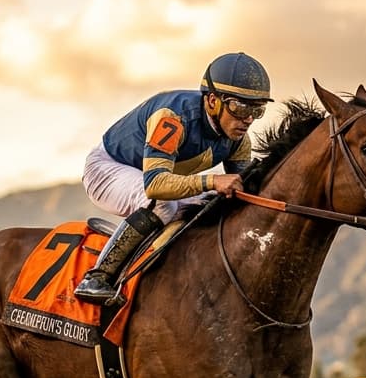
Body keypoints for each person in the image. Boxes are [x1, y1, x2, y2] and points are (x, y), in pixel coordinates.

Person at [74, 52, 273, 304]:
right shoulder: (173, 117)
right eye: (240, 107)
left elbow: (245, 192)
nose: (248, 119)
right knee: (163, 204)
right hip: (107, 169)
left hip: (154, 177)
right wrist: (212, 181)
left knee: (210, 203)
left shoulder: (238, 140)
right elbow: (155, 185)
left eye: (258, 110)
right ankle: (97, 277)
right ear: (213, 101)